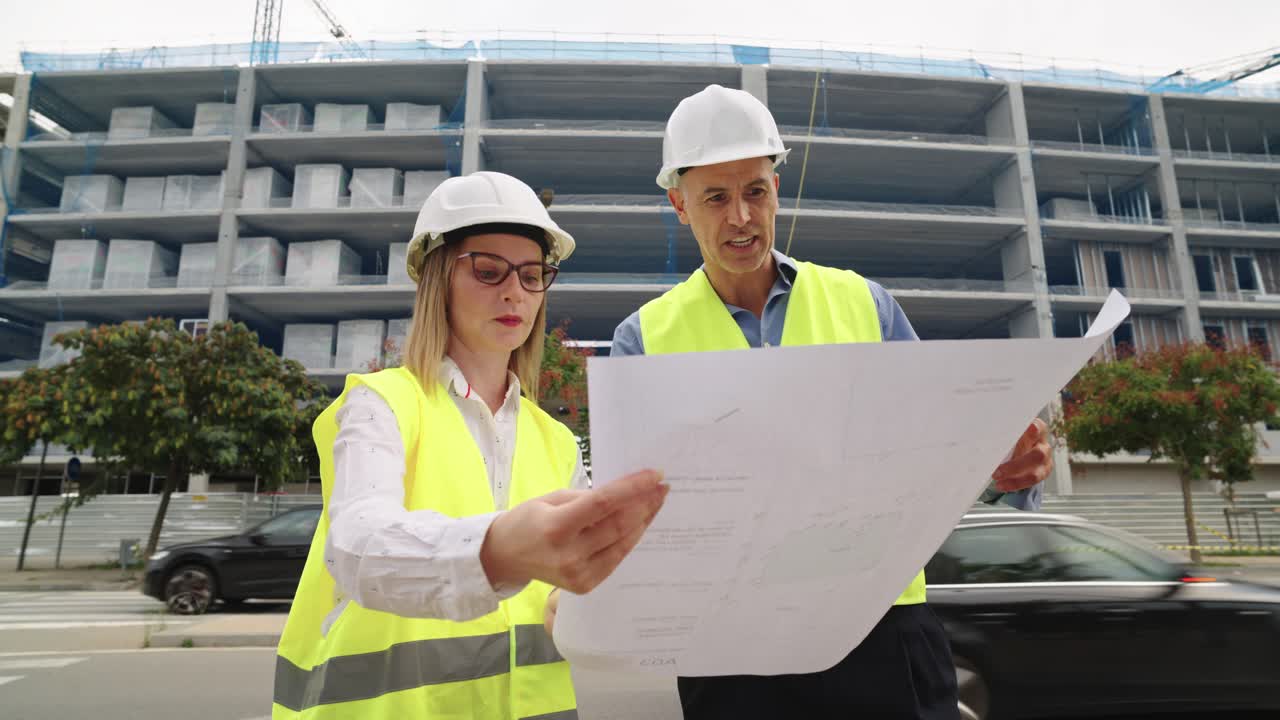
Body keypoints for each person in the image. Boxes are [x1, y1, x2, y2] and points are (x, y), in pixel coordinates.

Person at [609, 85, 1053, 719]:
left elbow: (937, 455)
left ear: (776, 191)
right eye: (716, 197)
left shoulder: (864, 306)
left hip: (879, 634)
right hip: (731, 650)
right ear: (679, 204)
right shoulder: (643, 340)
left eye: (755, 191)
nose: (740, 216)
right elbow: (633, 515)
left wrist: (999, 469)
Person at [272, 171, 668, 720]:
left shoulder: (555, 441)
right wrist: (498, 549)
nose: (514, 291)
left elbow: (578, 588)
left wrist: (582, 603)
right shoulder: (381, 404)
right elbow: (358, 547)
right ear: (437, 279)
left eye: (532, 275)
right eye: (488, 270)